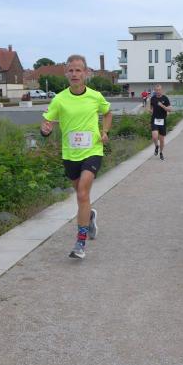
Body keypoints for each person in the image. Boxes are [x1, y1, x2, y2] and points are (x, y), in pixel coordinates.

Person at [41, 54, 113, 259]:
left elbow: (108, 113)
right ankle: (89, 216)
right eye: (71, 70)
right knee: (82, 196)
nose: (74, 74)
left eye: (78, 70)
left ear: (86, 73)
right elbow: (46, 123)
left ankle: (80, 243)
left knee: (82, 193)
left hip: (93, 151)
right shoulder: (59, 99)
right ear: (66, 73)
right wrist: (45, 130)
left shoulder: (95, 96)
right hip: (70, 154)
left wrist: (105, 131)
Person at [148, 84, 172, 160]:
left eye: (159, 90)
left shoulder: (165, 98)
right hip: (154, 119)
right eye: (156, 90)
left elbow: (170, 109)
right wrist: (150, 111)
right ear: (155, 91)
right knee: (154, 136)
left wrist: (162, 106)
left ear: (161, 90)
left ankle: (161, 152)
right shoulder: (153, 98)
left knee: (162, 140)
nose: (158, 91)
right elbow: (151, 108)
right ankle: (156, 146)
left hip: (162, 120)